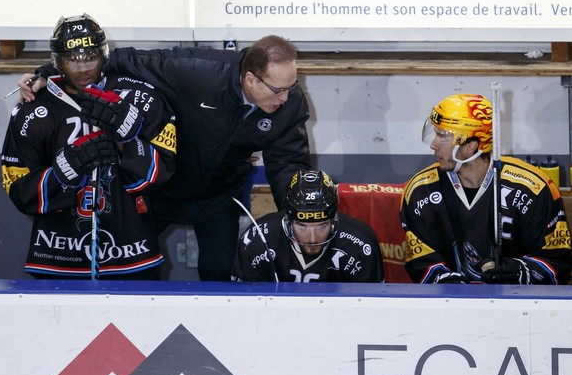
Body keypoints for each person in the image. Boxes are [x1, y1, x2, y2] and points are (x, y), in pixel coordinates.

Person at [19, 34, 312, 281]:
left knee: (219, 271)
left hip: (218, 196)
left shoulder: (288, 101)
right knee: (132, 269)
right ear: (251, 79)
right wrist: (49, 72)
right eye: (279, 90)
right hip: (160, 189)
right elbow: (123, 59)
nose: (286, 98)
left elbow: (288, 163)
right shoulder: (194, 70)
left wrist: (303, 215)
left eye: (292, 86)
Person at [2, 13, 176, 279]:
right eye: (72, 60)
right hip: (56, 256)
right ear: (57, 61)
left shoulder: (142, 98)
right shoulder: (32, 109)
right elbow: (18, 190)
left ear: (104, 55)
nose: (82, 69)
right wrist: (63, 170)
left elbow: (163, 173)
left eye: (90, 58)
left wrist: (127, 142)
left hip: (133, 252)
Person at [399, 93, 572, 284]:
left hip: (518, 307)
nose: (433, 144)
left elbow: (557, 259)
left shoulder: (532, 188)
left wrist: (519, 272)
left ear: (471, 146)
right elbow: (421, 263)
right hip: (449, 306)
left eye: (442, 135)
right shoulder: (420, 190)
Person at [231, 170, 384, 282]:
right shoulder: (256, 240)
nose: (312, 238)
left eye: (321, 226)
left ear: (333, 220)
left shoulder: (359, 245)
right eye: (302, 226)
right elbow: (244, 304)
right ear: (289, 220)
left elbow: (368, 310)